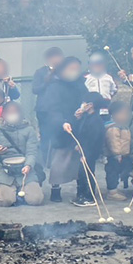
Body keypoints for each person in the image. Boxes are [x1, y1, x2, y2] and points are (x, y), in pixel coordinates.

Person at [44, 57, 91, 204]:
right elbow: (52, 109)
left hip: (79, 125)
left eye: (76, 69)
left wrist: (83, 108)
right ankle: (55, 188)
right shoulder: (54, 86)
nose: (74, 72)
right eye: (71, 69)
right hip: (60, 127)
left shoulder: (80, 85)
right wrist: (62, 122)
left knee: (79, 158)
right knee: (59, 160)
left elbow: (87, 99)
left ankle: (81, 188)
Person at [0, 101, 43, 207]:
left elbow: (32, 152)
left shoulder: (29, 130)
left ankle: (19, 191)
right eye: (9, 112)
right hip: (4, 171)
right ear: (3, 115)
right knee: (6, 201)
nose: (12, 115)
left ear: (20, 114)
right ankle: (0, 193)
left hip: (25, 170)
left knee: (36, 199)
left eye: (15, 112)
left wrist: (28, 165)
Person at [34, 46, 65, 164]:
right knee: (45, 136)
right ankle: (45, 160)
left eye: (58, 57)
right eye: (53, 57)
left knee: (59, 135)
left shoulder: (64, 72)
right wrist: (48, 77)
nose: (56, 60)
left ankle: (58, 160)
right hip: (44, 110)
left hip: (60, 110)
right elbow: (35, 89)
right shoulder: (40, 72)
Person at [104, 101, 133, 199]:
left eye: (126, 114)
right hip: (114, 156)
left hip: (122, 155)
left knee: (117, 172)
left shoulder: (123, 126)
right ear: (114, 114)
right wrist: (117, 154)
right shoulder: (113, 128)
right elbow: (114, 142)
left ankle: (115, 190)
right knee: (112, 173)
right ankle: (112, 192)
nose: (125, 116)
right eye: (122, 113)